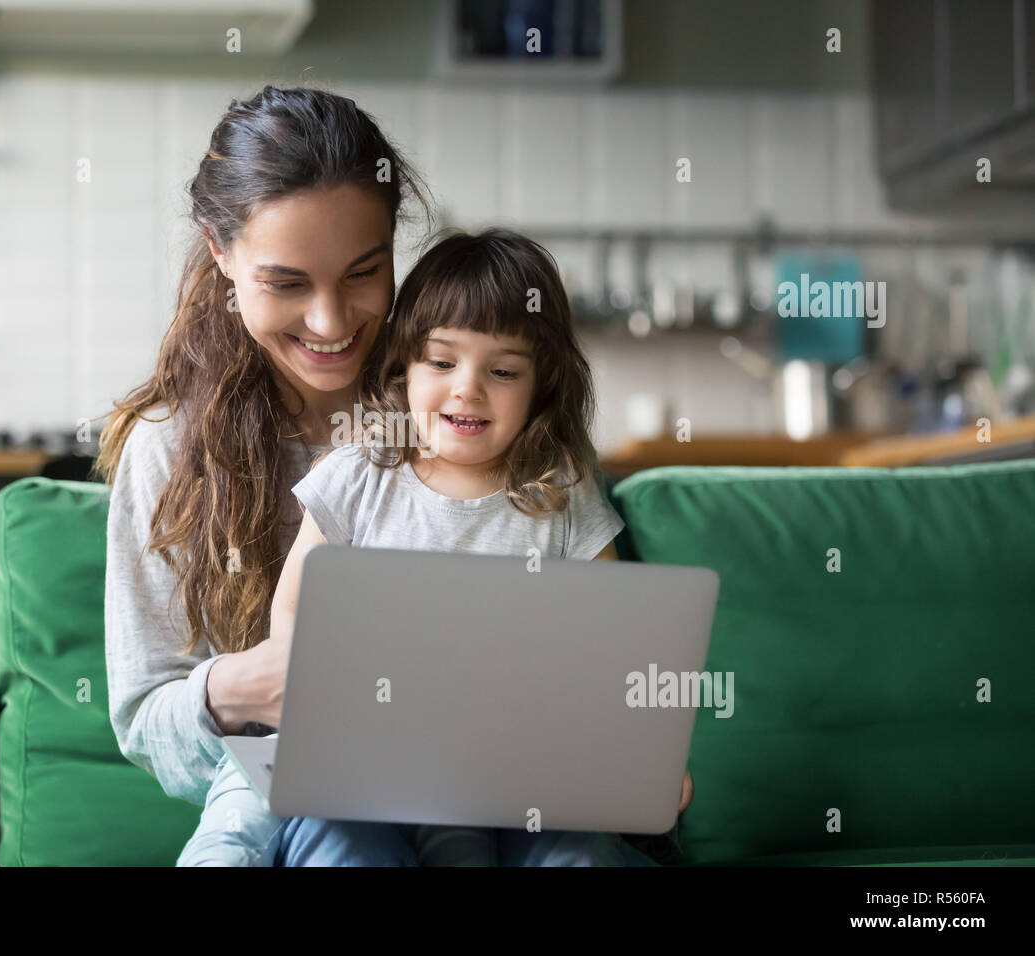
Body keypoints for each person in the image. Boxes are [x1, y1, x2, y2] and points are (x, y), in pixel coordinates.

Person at [174, 228, 693, 866]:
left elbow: (613, 641)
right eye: (442, 362)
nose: (468, 389)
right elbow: (291, 623)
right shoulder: (361, 474)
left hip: (518, 773)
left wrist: (642, 754)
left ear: (541, 386)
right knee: (338, 847)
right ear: (404, 367)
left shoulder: (559, 492)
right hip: (370, 768)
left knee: (579, 854)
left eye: (502, 371)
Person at [97, 84, 436, 865]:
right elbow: (146, 722)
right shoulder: (169, 446)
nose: (331, 322)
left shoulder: (457, 411)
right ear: (221, 255)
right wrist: (240, 688)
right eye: (287, 283)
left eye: (363, 272)